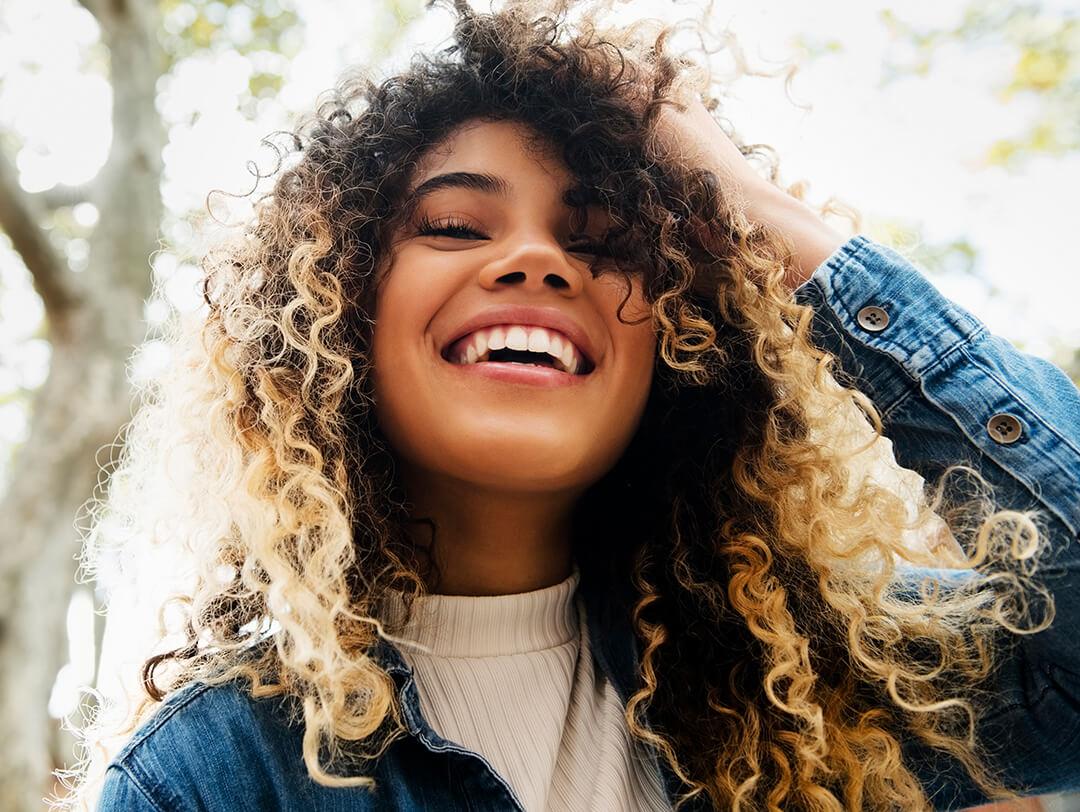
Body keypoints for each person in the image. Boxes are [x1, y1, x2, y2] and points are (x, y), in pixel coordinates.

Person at [65, 1, 1079, 810]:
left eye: (600, 240)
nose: (539, 261)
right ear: (335, 319)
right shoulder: (207, 776)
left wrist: (764, 218)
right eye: (458, 223)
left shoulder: (820, 684)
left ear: (680, 351)